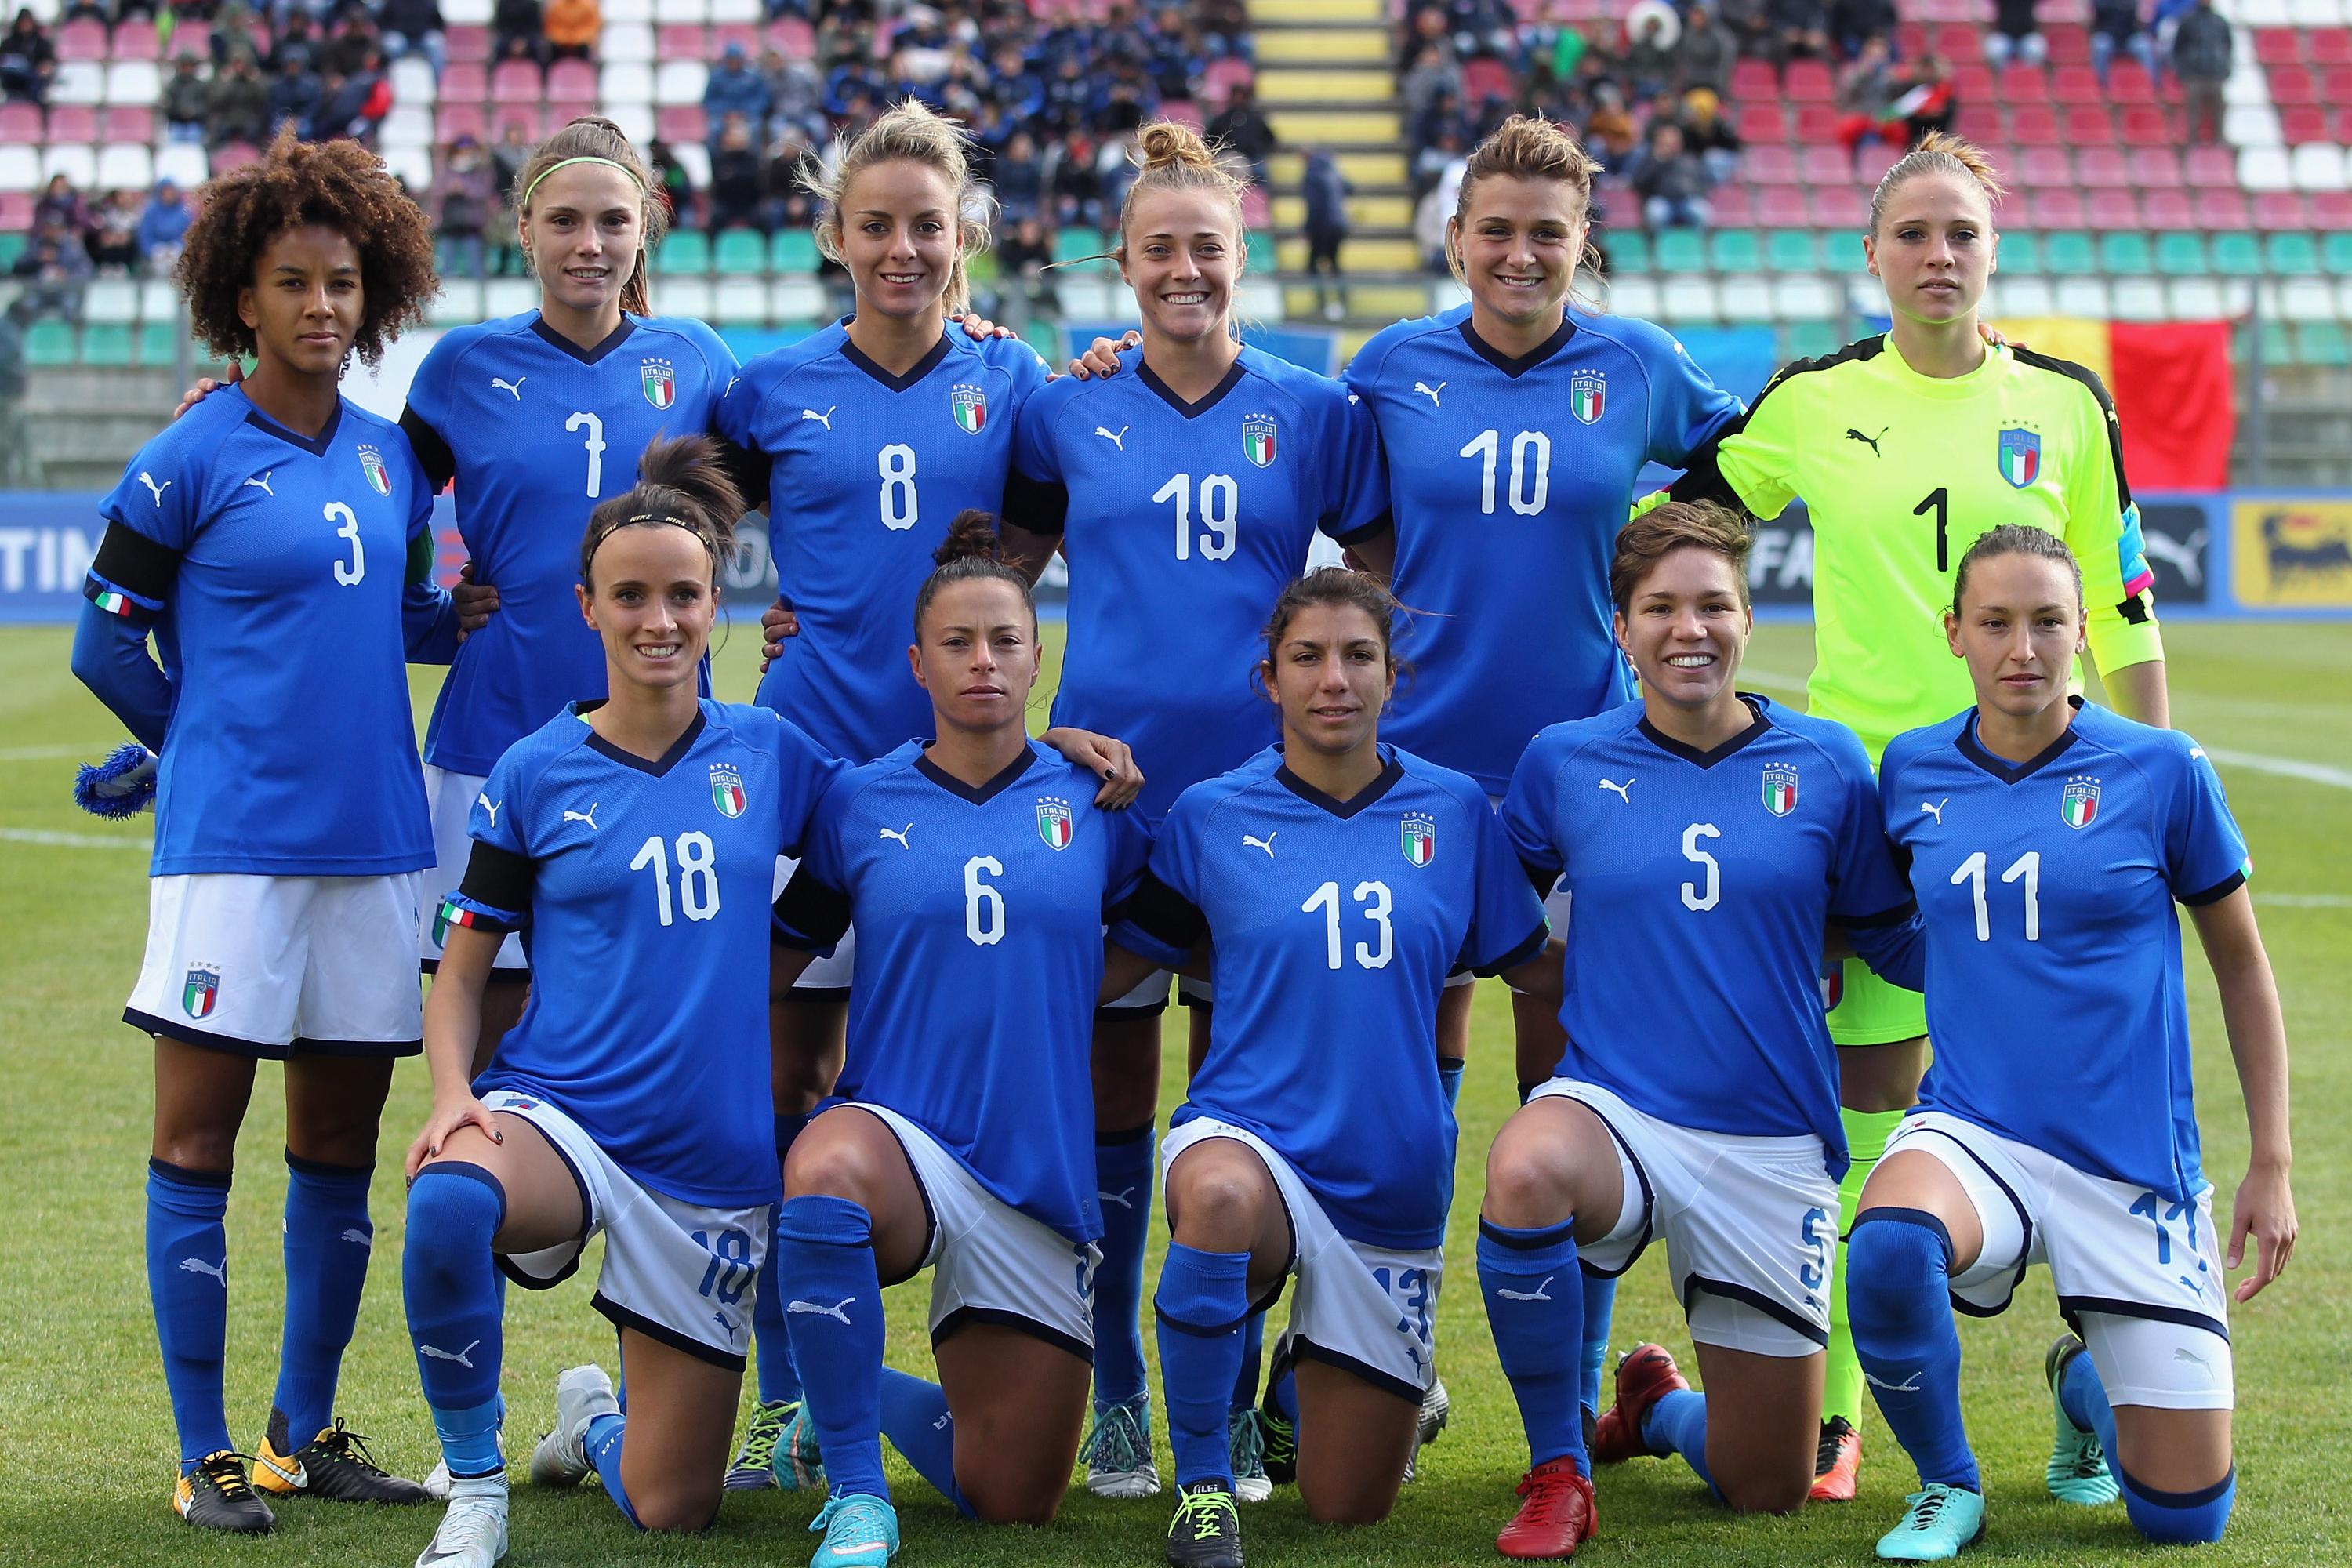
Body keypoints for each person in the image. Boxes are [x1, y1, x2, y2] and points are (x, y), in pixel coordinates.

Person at [1667, 132, 2170, 1503]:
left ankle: (2086, 1383)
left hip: (2042, 813)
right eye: (1914, 233)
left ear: (1993, 248)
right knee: (1868, 1109)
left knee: (2063, 1104)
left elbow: (2121, 609)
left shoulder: (2066, 403)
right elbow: (1678, 528)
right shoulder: (1818, 401)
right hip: (1873, 821)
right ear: (1874, 255)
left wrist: (2152, 785)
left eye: (1962, 232)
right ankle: (1836, 1420)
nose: (1938, 255)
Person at [169, 118, 745, 1156]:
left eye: (613, 221)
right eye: (564, 219)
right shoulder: (463, 368)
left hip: (667, 762)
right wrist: (243, 400)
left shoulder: (700, 363)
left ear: (645, 232)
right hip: (488, 759)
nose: (589, 242)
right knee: (490, 1079)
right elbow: (361, 480)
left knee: (679, 1054)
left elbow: (820, 477)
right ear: (523, 229)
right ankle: (475, 1306)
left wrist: (961, 323)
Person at [68, 126, 453, 1534]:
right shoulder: (190, 453)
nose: (323, 308)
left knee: (340, 1144)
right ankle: (202, 1447)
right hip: (233, 849)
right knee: (196, 1143)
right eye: (294, 281)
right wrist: (189, 746)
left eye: (344, 283)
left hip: (376, 842)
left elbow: (410, 607)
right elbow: (104, 639)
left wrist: (457, 611)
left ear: (377, 294)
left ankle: (301, 1429)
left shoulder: (391, 459)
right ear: (244, 297)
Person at [1340, 112, 1744, 1446]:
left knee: (1563, 1087)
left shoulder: (1638, 365)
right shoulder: (1391, 367)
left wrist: (1660, 580)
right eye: (1497, 232)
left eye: (1547, 236)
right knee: (1406, 1080)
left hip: (1584, 785)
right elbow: (1336, 522)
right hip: (1415, 785)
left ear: (1585, 247)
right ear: (1457, 240)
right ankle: (1393, 1358)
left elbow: (1736, 472)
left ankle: (1568, 1401)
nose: (1521, 256)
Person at [1004, 119, 1392, 1505]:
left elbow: (1390, 592)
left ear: (1245, 257)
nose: (1184, 271)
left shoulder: (1318, 411)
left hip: (1265, 821)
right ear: (1123, 263)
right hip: (1109, 812)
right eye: (1159, 249)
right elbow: (990, 592)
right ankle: (1117, 1394)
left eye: (1207, 249)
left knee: (1258, 1123)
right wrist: (1036, 724)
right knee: (1109, 1117)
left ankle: (1254, 1393)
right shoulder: (1064, 409)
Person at [398, 438, 839, 1568]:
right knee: (450, 1202)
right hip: (566, 1120)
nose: (660, 619)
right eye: (631, 595)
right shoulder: (534, 771)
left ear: (716, 600)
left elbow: (894, 837)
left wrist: (1059, 750)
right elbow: (463, 966)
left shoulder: (774, 754)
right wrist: (455, 1093)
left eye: (684, 595)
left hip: (709, 1160)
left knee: (673, 1506)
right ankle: (479, 1488)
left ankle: (591, 1423)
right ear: (586, 604)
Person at [716, 98, 1063, 1497]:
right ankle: (785, 1407)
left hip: (964, 792)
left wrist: (961, 635)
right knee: (788, 1099)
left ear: (963, 234)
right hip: (813, 782)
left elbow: (1034, 530)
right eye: (878, 226)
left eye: (928, 224)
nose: (904, 248)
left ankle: (1067, 1381)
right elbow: (687, 532)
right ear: (833, 238)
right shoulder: (770, 390)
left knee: (984, 1073)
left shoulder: (1017, 377)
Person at [1479, 501, 1922, 1556]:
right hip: (1617, 1113)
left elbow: (1886, 939)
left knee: (1765, 1486)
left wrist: (2020, 946)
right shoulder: (1564, 762)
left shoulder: (1826, 762)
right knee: (1527, 1166)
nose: (1691, 629)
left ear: (1747, 616)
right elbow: (1498, 925)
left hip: (1768, 1137)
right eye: (1661, 607)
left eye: (1713, 604)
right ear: (1621, 628)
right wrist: (1588, 980)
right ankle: (1559, 1468)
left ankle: (1654, 1410)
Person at [1849, 527, 2293, 1560]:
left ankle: (2084, 1386)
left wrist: (2271, 1161)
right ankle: (1948, 1485)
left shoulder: (2162, 769)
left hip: (2130, 1157)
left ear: (2084, 633)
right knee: (1886, 1247)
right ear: (1952, 632)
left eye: (2049, 622)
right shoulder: (1912, 769)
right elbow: (1894, 927)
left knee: (2182, 1522)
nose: (2023, 647)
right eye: (1996, 623)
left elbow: (2241, 964)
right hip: (1975, 1129)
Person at [1108, 568, 1555, 1568]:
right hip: (1249, 1136)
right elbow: (1114, 962)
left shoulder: (1455, 814)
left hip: (1392, 1176)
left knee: (1348, 1508)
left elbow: (1538, 969)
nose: (1334, 679)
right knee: (1218, 1200)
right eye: (1307, 657)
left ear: (1395, 676)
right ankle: (1207, 1486)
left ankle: (1292, 1399)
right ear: (1268, 678)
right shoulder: (1211, 815)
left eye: (1359, 656)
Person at [767, 512, 1151, 1567]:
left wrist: (1057, 987)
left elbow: (1166, 934)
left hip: (1037, 1174)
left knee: (1013, 1501)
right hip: (904, 1140)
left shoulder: (1096, 797)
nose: (983, 661)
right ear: (918, 663)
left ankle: (846, 1400)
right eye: (957, 643)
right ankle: (854, 1492)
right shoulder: (860, 800)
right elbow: (777, 956)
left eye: (1006, 641)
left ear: (1039, 655)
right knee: (826, 1167)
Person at [1301, 146, 1351, 321]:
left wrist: (1307, 229)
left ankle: (1321, 305)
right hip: (1339, 225)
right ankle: (1343, 302)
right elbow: (1350, 188)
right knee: (1335, 264)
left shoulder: (1312, 175)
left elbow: (1314, 206)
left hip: (1321, 227)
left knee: (1313, 266)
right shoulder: (1333, 171)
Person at [2171, 0, 2230, 145]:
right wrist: (2184, 72)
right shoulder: (2188, 21)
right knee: (2193, 113)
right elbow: (2178, 47)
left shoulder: (2220, 22)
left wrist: (2224, 69)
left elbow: (2228, 46)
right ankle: (2193, 145)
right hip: (2194, 75)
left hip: (2215, 74)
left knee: (2219, 111)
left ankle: (2219, 143)